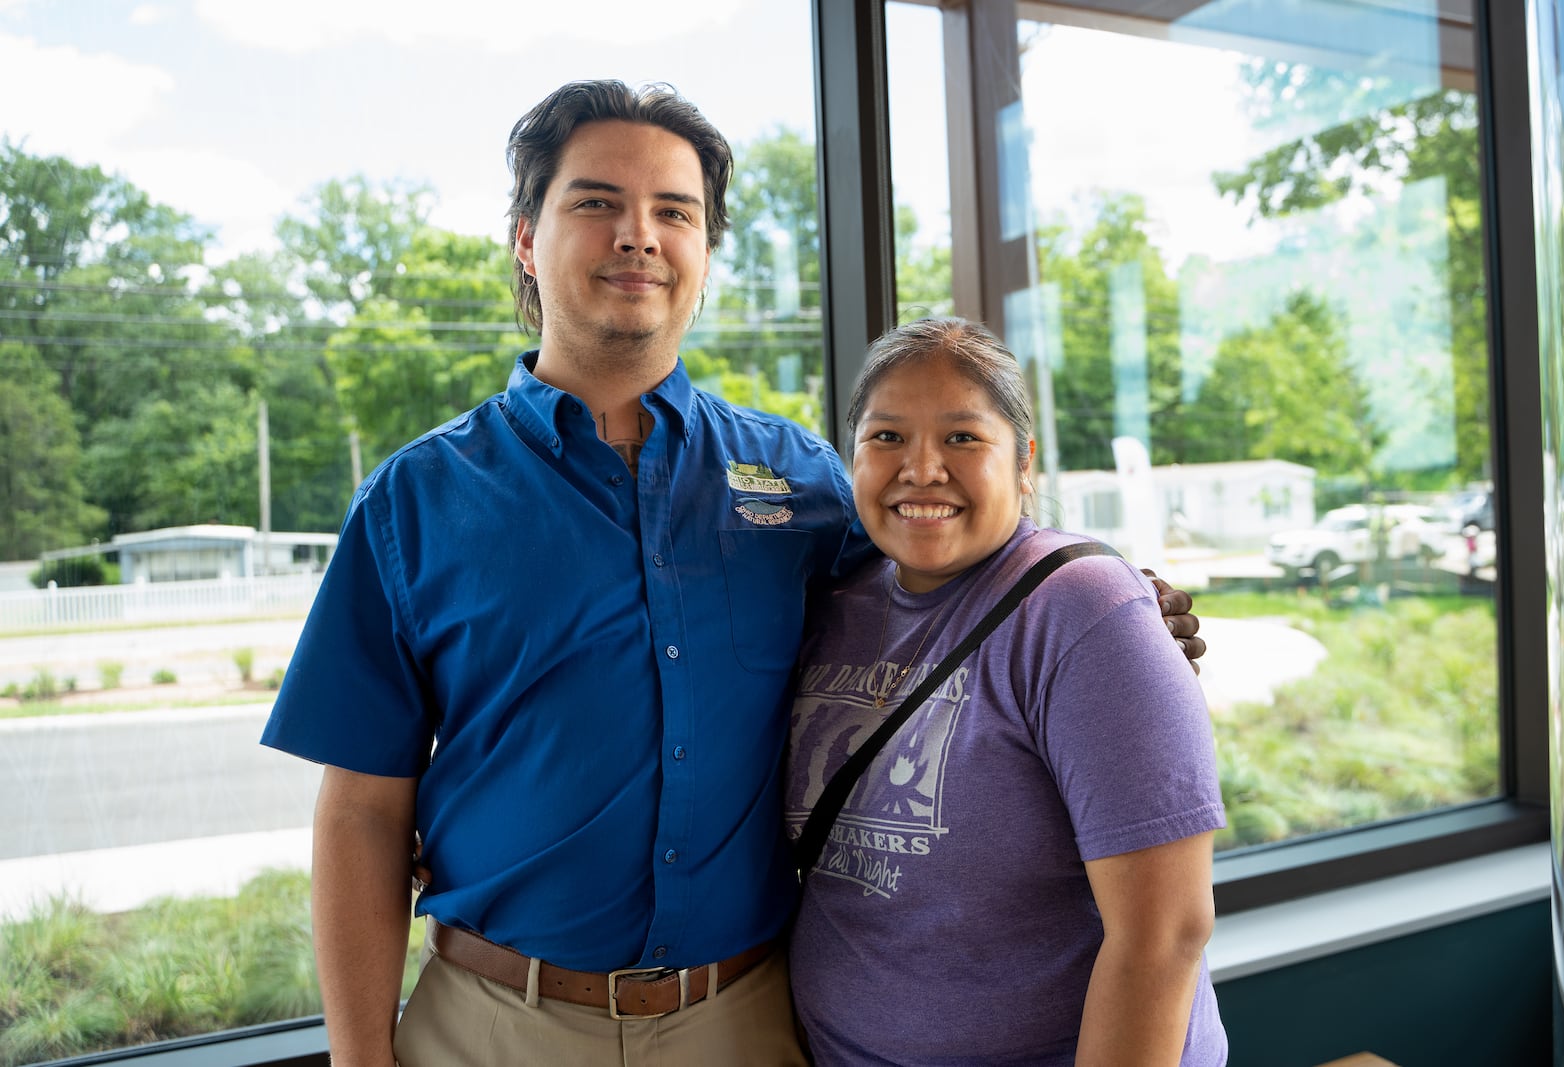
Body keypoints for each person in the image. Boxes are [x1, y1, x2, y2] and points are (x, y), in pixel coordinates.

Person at [260, 80, 1206, 1066]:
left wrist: (1115, 603)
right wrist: (358, 1057)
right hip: (493, 1020)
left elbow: (940, 589)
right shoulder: (415, 501)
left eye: (674, 211)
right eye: (596, 203)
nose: (639, 235)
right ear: (525, 238)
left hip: (744, 1019)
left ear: (705, 253)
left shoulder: (801, 481)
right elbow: (363, 808)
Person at [784, 317, 1227, 1065]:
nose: (921, 469)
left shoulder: (1081, 609)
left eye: (962, 438)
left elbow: (1165, 934)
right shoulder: (834, 603)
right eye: (886, 437)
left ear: (1024, 462)